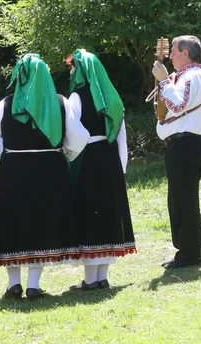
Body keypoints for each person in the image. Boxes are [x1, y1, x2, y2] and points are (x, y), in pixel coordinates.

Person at [0, 54, 89, 300]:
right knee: (42, 222)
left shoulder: (6, 104)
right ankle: (33, 285)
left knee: (13, 223)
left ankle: (14, 285)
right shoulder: (61, 103)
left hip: (13, 169)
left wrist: (2, 153)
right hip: (49, 170)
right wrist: (65, 153)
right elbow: (79, 139)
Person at [64, 49, 136, 290]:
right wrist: (120, 165)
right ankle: (102, 276)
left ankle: (90, 279)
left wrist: (71, 154)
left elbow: (74, 133)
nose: (71, 71)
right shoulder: (112, 97)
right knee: (107, 215)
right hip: (110, 159)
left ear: (81, 70)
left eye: (73, 67)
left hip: (89, 160)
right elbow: (121, 135)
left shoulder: (76, 97)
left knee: (89, 214)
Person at [151, 35, 201, 268]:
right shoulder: (189, 76)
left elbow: (177, 105)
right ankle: (186, 253)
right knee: (179, 201)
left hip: (186, 146)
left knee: (183, 201)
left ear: (185, 53)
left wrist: (165, 81)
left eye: (174, 51)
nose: (170, 56)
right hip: (184, 146)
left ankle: (190, 255)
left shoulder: (194, 76)